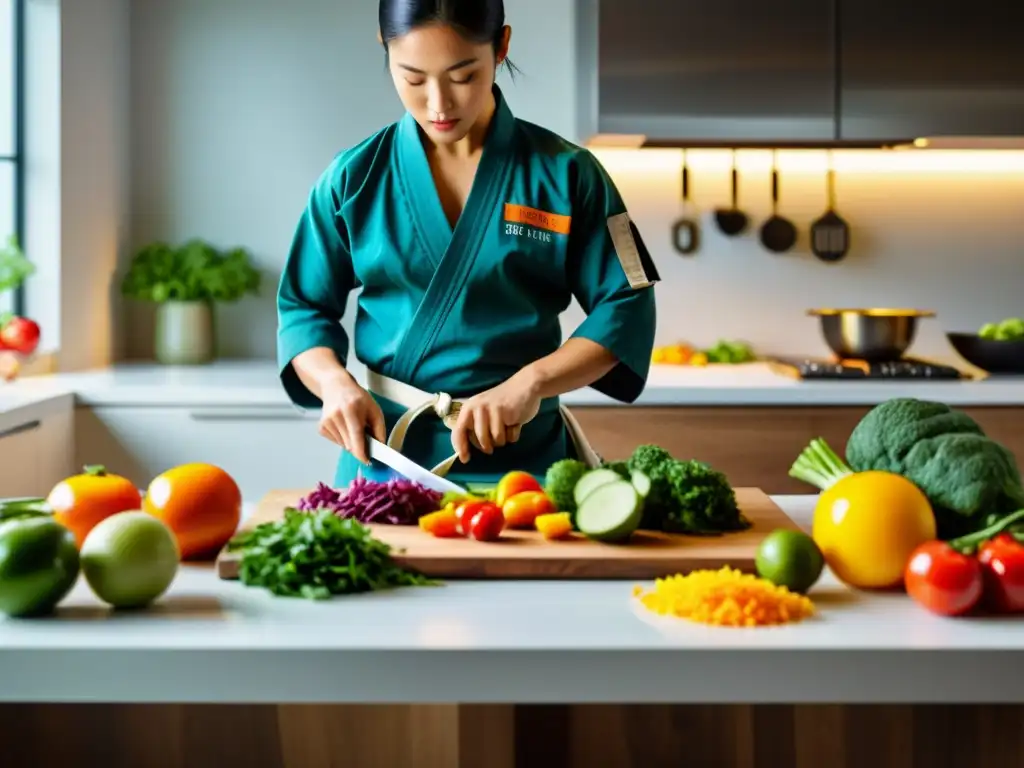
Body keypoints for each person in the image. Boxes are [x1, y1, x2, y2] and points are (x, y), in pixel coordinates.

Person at [276, 0, 659, 488]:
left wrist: (530, 383)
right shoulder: (352, 178)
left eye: (462, 76)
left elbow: (627, 301)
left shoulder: (569, 175)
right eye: (413, 78)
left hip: (526, 470)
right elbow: (301, 308)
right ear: (385, 49)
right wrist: (333, 383)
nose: (439, 104)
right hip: (387, 463)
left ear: (501, 47)